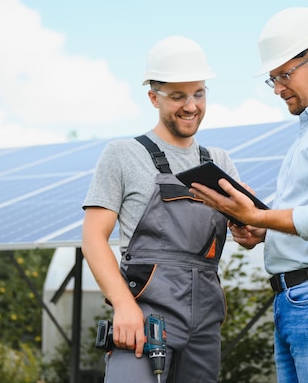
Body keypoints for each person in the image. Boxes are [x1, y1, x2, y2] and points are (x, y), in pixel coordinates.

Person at [190, 7, 308, 383]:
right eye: (272, 79)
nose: (278, 88)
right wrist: (263, 229)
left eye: (283, 75)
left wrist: (257, 217)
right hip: (302, 300)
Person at [81, 35, 239, 383]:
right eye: (178, 96)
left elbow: (247, 232)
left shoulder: (221, 162)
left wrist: (252, 229)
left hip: (205, 323)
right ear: (153, 97)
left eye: (198, 93)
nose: (191, 105)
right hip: (143, 316)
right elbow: (93, 238)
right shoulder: (123, 154)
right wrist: (123, 305)